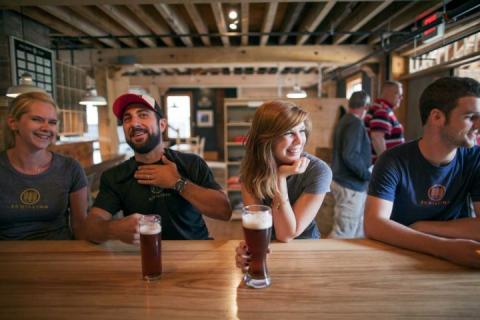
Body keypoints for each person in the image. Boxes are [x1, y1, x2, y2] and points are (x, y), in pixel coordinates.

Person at [364, 76, 480, 268]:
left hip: (457, 262)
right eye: (470, 117)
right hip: (397, 259)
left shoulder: (475, 159)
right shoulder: (392, 160)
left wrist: (424, 227)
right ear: (436, 117)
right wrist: (444, 248)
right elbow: (374, 223)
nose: (478, 125)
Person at [85, 93, 231, 244]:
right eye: (127, 118)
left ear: (162, 125)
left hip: (196, 251)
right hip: (147, 256)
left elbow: (224, 211)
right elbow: (89, 228)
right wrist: (114, 229)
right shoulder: (115, 176)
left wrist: (177, 182)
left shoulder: (191, 163)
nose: (134, 123)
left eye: (142, 115)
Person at [235, 101, 332, 270]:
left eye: (301, 130)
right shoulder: (251, 170)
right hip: (268, 249)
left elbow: (286, 234)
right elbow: (256, 225)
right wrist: (247, 250)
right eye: (288, 133)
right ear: (266, 138)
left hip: (305, 251)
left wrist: (280, 178)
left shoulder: (318, 171)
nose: (299, 140)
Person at [0, 92, 88, 240]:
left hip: (59, 256)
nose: (46, 128)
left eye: (52, 122)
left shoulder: (70, 168)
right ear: (13, 122)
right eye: (37, 119)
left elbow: (80, 226)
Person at [330, 91, 371, 238]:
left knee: (356, 230)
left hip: (344, 180)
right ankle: (331, 260)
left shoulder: (344, 120)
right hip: (350, 184)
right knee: (344, 231)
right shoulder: (355, 123)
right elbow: (350, 155)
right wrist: (367, 175)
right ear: (366, 106)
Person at [364, 80, 405, 163]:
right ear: (388, 93)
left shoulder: (379, 108)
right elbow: (377, 138)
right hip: (384, 165)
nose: (401, 98)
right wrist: (385, 163)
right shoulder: (382, 110)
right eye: (399, 95)